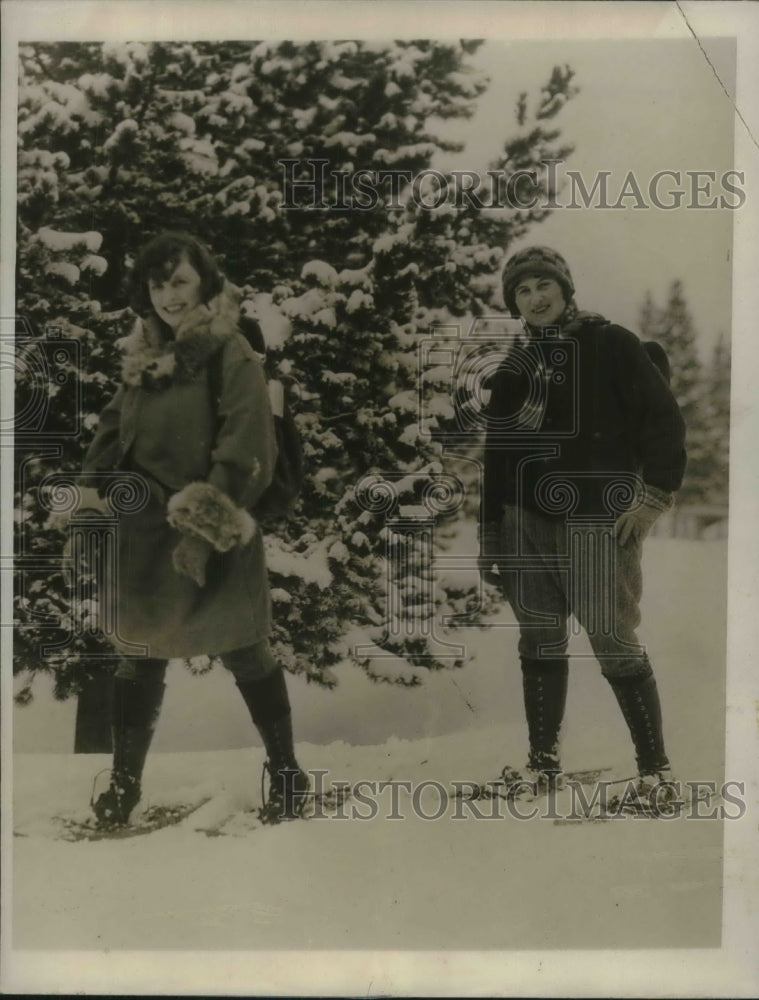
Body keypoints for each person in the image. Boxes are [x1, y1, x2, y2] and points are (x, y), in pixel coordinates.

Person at [80, 231, 308, 826]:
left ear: (205, 282)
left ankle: (287, 771)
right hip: (142, 535)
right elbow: (111, 434)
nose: (168, 296)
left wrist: (203, 532)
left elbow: (248, 449)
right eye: (157, 285)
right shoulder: (145, 356)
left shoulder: (231, 351)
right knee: (139, 657)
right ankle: (124, 785)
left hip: (210, 528)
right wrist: (88, 510)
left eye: (179, 281)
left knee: (246, 650)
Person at [479, 246, 687, 799]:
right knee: (539, 640)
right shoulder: (513, 371)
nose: (535, 298)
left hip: (597, 520)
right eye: (522, 291)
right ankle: (543, 765)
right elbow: (496, 460)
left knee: (612, 637)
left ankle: (656, 772)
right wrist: (492, 536)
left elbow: (665, 423)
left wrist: (652, 499)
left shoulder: (612, 344)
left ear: (565, 290)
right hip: (525, 523)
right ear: (515, 304)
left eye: (544, 285)